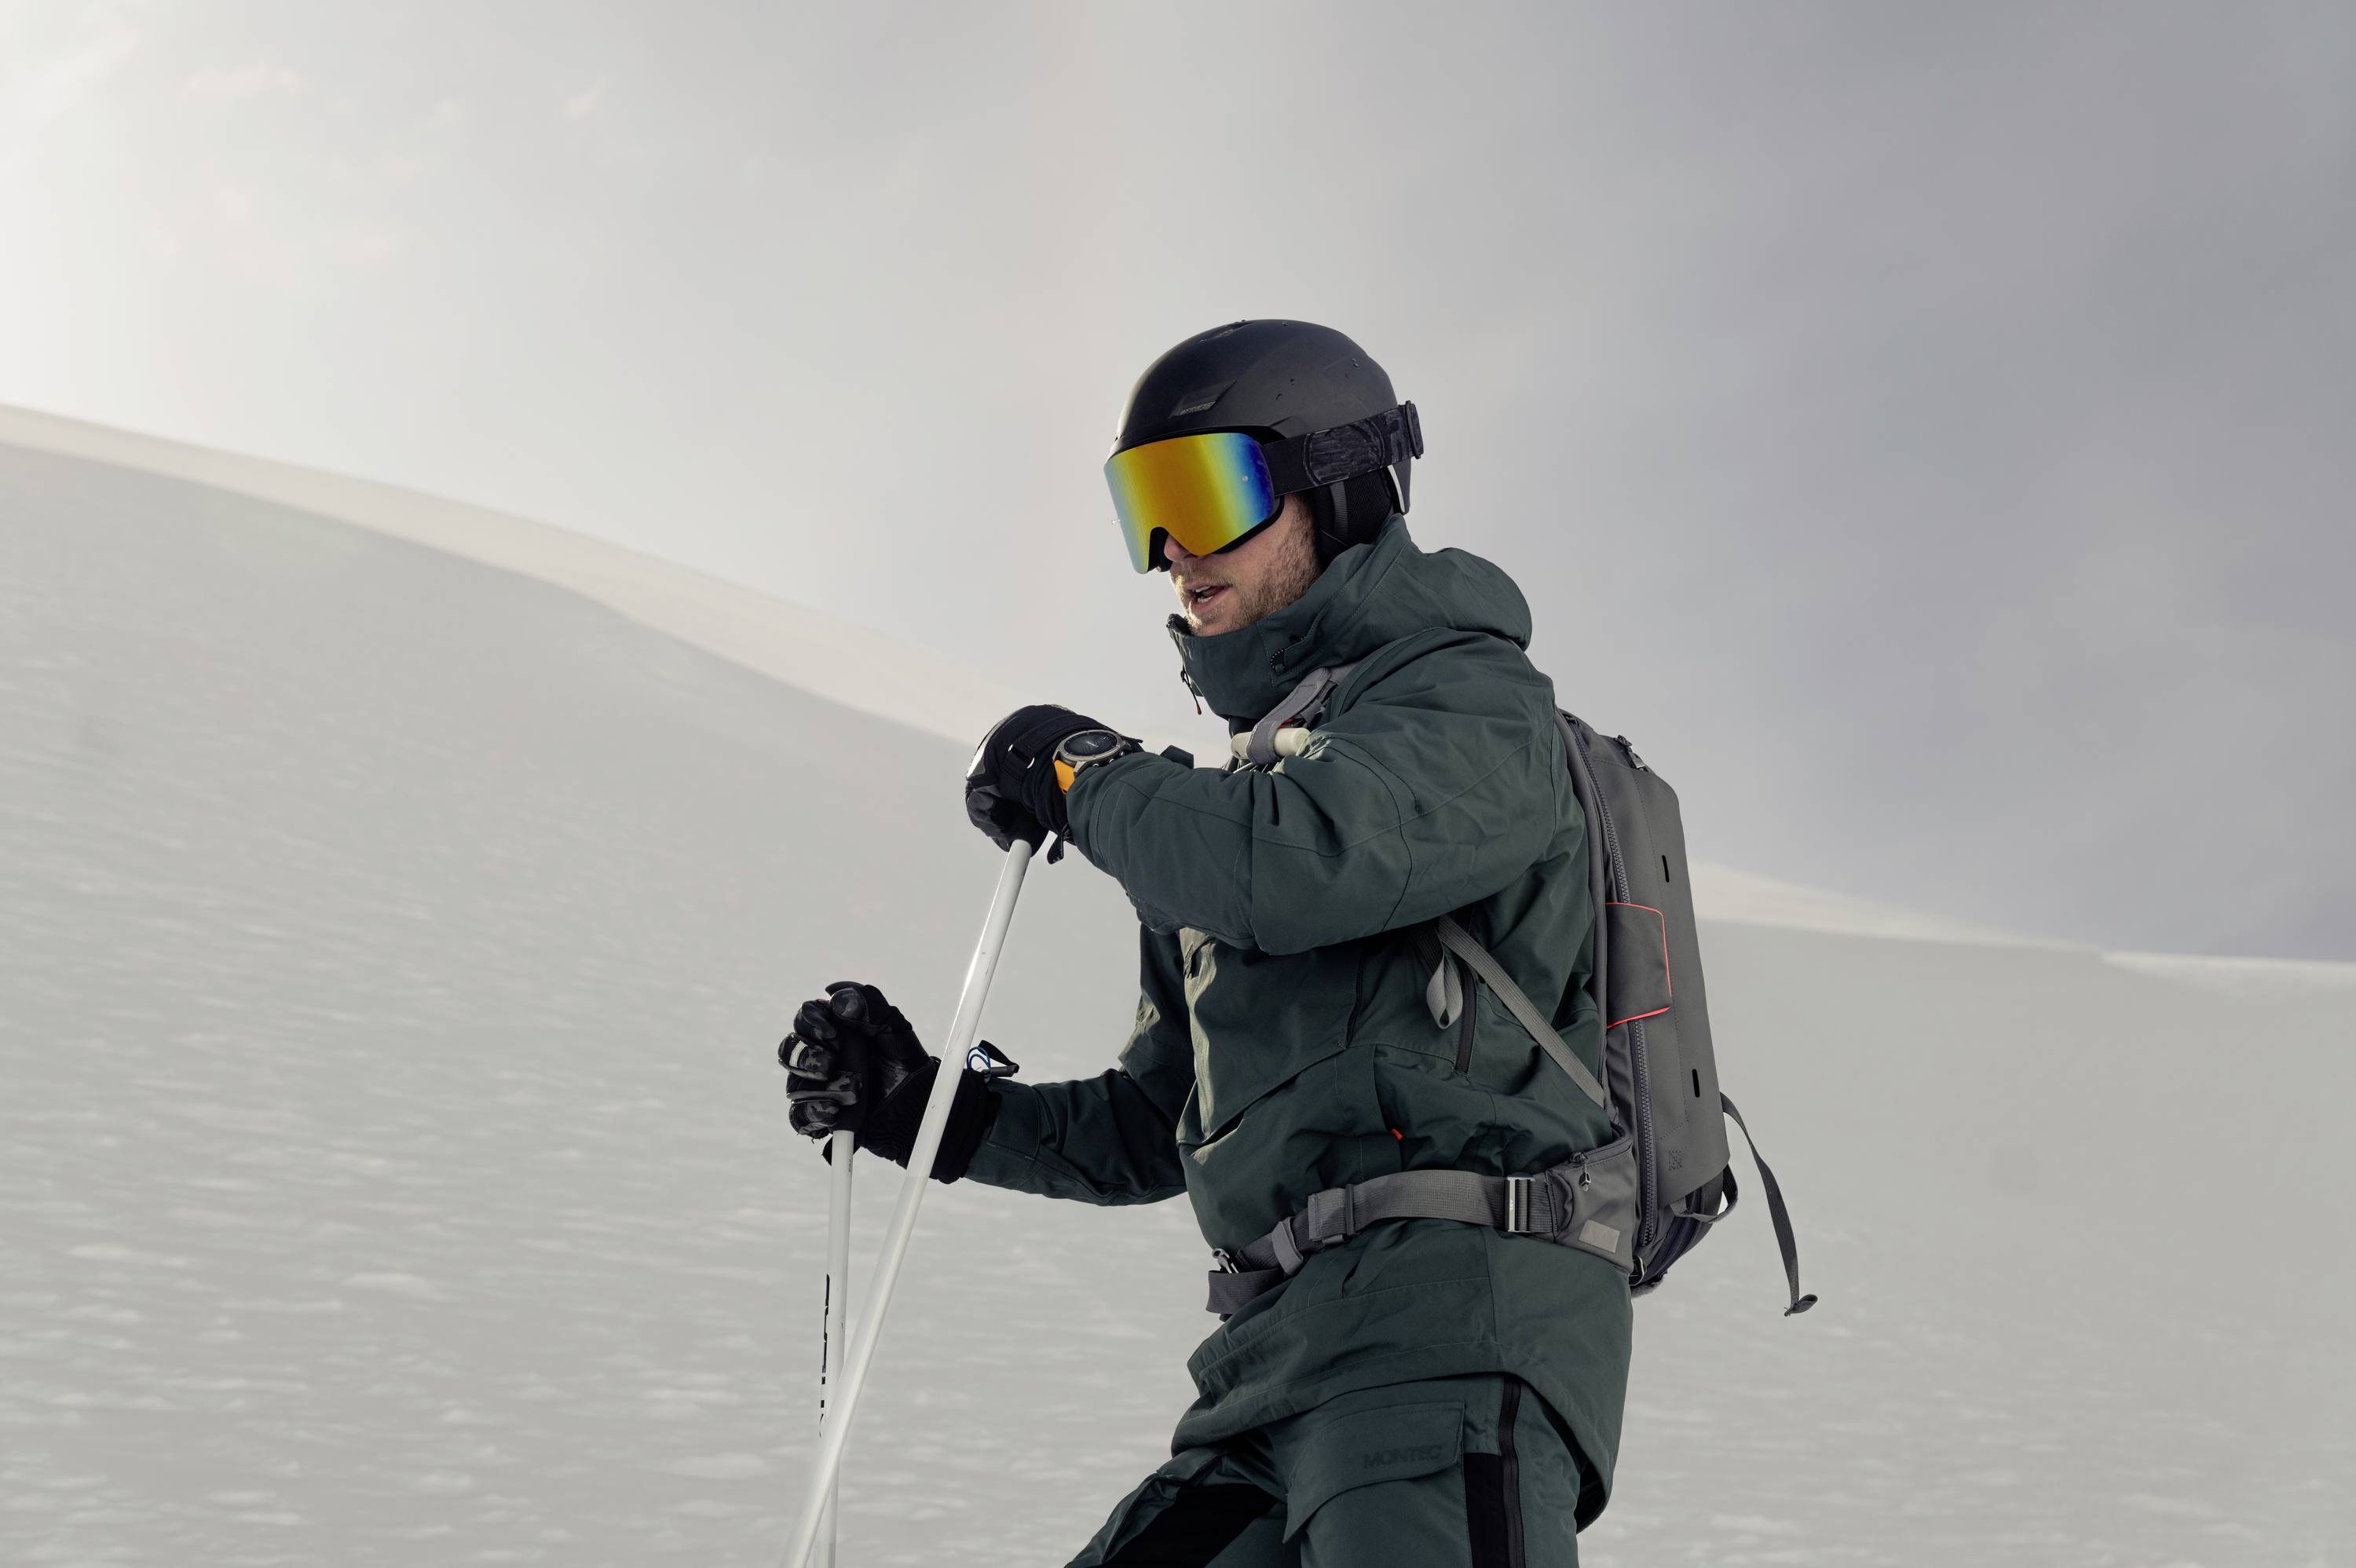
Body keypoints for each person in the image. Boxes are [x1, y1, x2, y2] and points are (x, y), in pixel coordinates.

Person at [779, 320, 1628, 1566]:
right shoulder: (1228, 807)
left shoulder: (1470, 702)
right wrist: (929, 1114)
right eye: (1145, 509)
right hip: (1264, 1380)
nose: (1172, 551)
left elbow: (1294, 860)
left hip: (1448, 1339)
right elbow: (1153, 1124)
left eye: (1205, 492)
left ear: (1334, 490)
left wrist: (1084, 771)